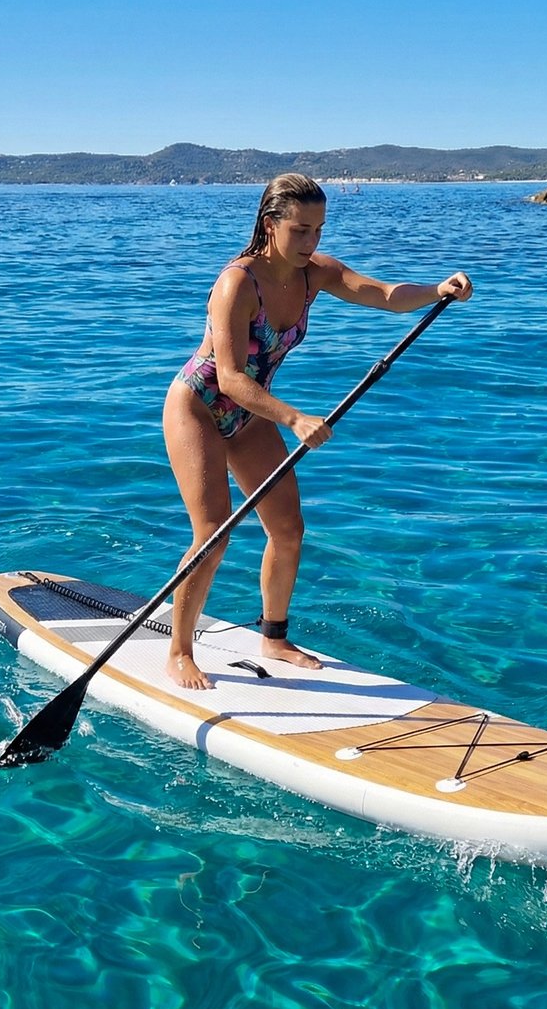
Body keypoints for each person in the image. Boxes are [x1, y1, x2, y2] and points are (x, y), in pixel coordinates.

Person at [161, 173, 473, 689]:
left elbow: (386, 295)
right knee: (214, 533)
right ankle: (178, 652)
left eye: (319, 230)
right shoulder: (237, 283)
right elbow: (232, 377)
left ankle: (274, 637)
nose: (312, 242)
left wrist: (438, 290)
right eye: (301, 230)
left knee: (288, 529)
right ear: (271, 224)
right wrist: (293, 417)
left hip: (251, 413)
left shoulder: (314, 274)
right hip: (199, 404)